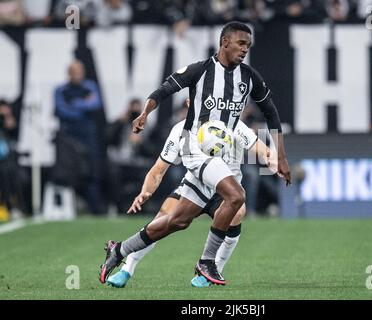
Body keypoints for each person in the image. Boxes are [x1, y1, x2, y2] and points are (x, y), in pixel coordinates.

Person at [100, 21, 291, 285]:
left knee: (176, 221)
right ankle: (205, 263)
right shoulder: (199, 72)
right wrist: (145, 113)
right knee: (237, 196)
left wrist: (279, 157)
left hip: (221, 175)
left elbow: (269, 115)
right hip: (197, 151)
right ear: (224, 42)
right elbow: (162, 91)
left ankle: (120, 250)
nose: (245, 49)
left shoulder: (247, 81)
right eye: (241, 43)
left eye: (248, 45)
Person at [105, 104, 272, 288]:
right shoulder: (180, 130)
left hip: (224, 192)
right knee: (164, 218)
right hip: (193, 186)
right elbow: (158, 169)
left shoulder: (232, 124)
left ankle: (212, 271)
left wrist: (276, 162)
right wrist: (145, 191)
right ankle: (127, 268)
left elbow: (260, 148)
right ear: (188, 104)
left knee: (238, 212)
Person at [54, 59, 106, 214]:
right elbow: (62, 110)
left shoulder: (89, 87)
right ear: (69, 73)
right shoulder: (61, 90)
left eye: (80, 71)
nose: (77, 75)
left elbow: (95, 104)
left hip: (88, 136)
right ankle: (72, 208)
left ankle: (94, 208)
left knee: (91, 171)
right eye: (74, 72)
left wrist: (74, 104)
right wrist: (82, 105)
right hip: (68, 138)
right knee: (71, 172)